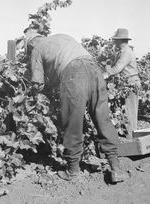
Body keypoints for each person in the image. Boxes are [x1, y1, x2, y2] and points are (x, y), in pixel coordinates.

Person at [22, 28, 128, 183]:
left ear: (30, 45)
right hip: (95, 70)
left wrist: (33, 96)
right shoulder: (62, 37)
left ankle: (73, 171)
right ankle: (116, 168)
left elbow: (38, 83)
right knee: (102, 119)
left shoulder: (37, 49)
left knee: (73, 122)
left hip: (74, 74)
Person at [103, 28, 141, 138]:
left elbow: (117, 69)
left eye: (115, 40)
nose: (114, 42)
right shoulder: (123, 51)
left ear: (121, 41)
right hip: (127, 84)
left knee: (130, 113)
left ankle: (131, 140)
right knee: (126, 112)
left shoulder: (126, 52)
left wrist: (106, 72)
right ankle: (130, 136)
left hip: (131, 84)